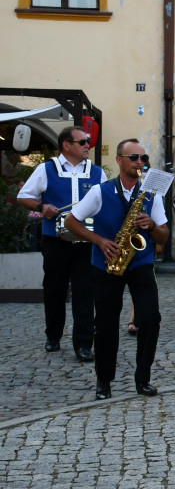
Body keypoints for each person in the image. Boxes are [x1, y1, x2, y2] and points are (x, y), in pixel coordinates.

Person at [64, 139, 167, 400]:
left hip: (140, 263)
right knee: (106, 324)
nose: (140, 163)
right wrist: (98, 241)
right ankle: (104, 381)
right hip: (106, 264)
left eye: (144, 159)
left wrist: (152, 226)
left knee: (150, 319)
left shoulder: (150, 194)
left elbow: (163, 236)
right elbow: (71, 221)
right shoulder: (100, 191)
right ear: (119, 161)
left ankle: (143, 378)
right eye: (134, 158)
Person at [17, 126, 103, 361]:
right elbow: (24, 195)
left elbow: (105, 203)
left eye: (88, 141)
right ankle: (53, 335)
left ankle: (84, 344)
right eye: (83, 141)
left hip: (86, 240)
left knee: (85, 291)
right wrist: (41, 207)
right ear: (67, 145)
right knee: (55, 290)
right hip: (56, 241)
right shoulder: (46, 169)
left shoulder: (96, 173)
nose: (88, 145)